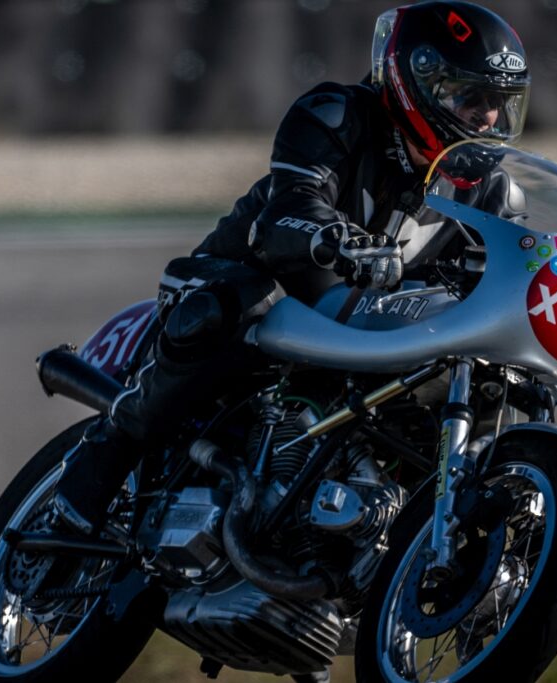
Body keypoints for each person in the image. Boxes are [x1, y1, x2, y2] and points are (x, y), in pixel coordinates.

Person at [52, 1, 532, 536]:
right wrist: (336, 238)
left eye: (498, 102)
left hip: (372, 328)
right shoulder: (337, 115)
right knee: (234, 304)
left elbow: (510, 274)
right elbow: (288, 210)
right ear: (416, 81)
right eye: (470, 96)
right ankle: (107, 452)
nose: (486, 117)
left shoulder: (493, 193)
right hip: (249, 280)